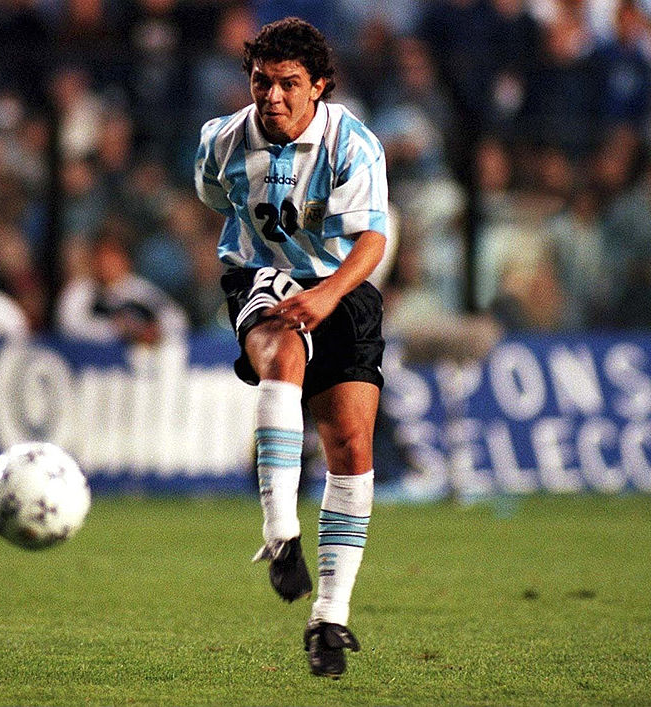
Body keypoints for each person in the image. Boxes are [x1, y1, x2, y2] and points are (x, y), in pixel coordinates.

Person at [194, 17, 388, 678]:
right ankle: (281, 533)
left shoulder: (352, 144)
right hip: (261, 274)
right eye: (261, 82)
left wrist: (329, 294)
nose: (272, 97)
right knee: (283, 352)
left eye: (288, 84)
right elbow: (217, 201)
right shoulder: (219, 143)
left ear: (319, 88)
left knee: (351, 444)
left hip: (341, 285)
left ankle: (329, 616)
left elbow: (372, 242)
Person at [55, 232, 188, 347]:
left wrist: (152, 330)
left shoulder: (139, 289)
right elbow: (68, 325)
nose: (106, 265)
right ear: (94, 261)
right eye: (102, 258)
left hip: (128, 367)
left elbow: (177, 319)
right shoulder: (81, 289)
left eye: (112, 258)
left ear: (125, 261)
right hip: (88, 365)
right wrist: (115, 329)